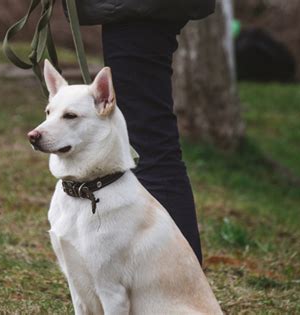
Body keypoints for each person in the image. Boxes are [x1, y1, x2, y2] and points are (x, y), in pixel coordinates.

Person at [73, 0, 216, 264]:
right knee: (150, 147)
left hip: (139, 11)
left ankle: (182, 288)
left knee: (150, 151)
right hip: (138, 10)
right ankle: (167, 281)